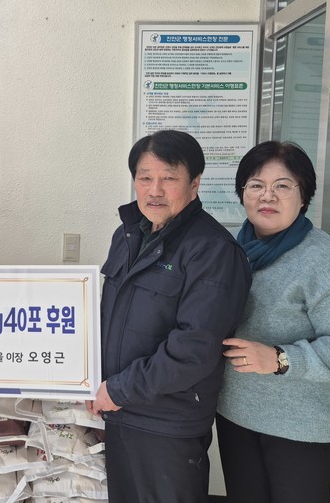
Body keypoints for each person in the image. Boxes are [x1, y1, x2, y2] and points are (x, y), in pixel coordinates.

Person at [87, 129, 252, 503]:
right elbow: (108, 320)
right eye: (145, 178)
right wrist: (92, 381)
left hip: (166, 424)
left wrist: (118, 389)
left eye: (169, 178)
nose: (154, 190)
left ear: (194, 184)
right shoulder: (127, 235)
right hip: (119, 412)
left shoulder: (212, 250)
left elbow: (194, 349)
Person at [216, 141, 330, 503]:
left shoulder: (325, 260)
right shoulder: (231, 251)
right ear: (242, 193)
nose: (267, 195)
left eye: (283, 185)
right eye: (256, 185)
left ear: (304, 196)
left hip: (305, 428)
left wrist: (280, 358)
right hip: (237, 417)